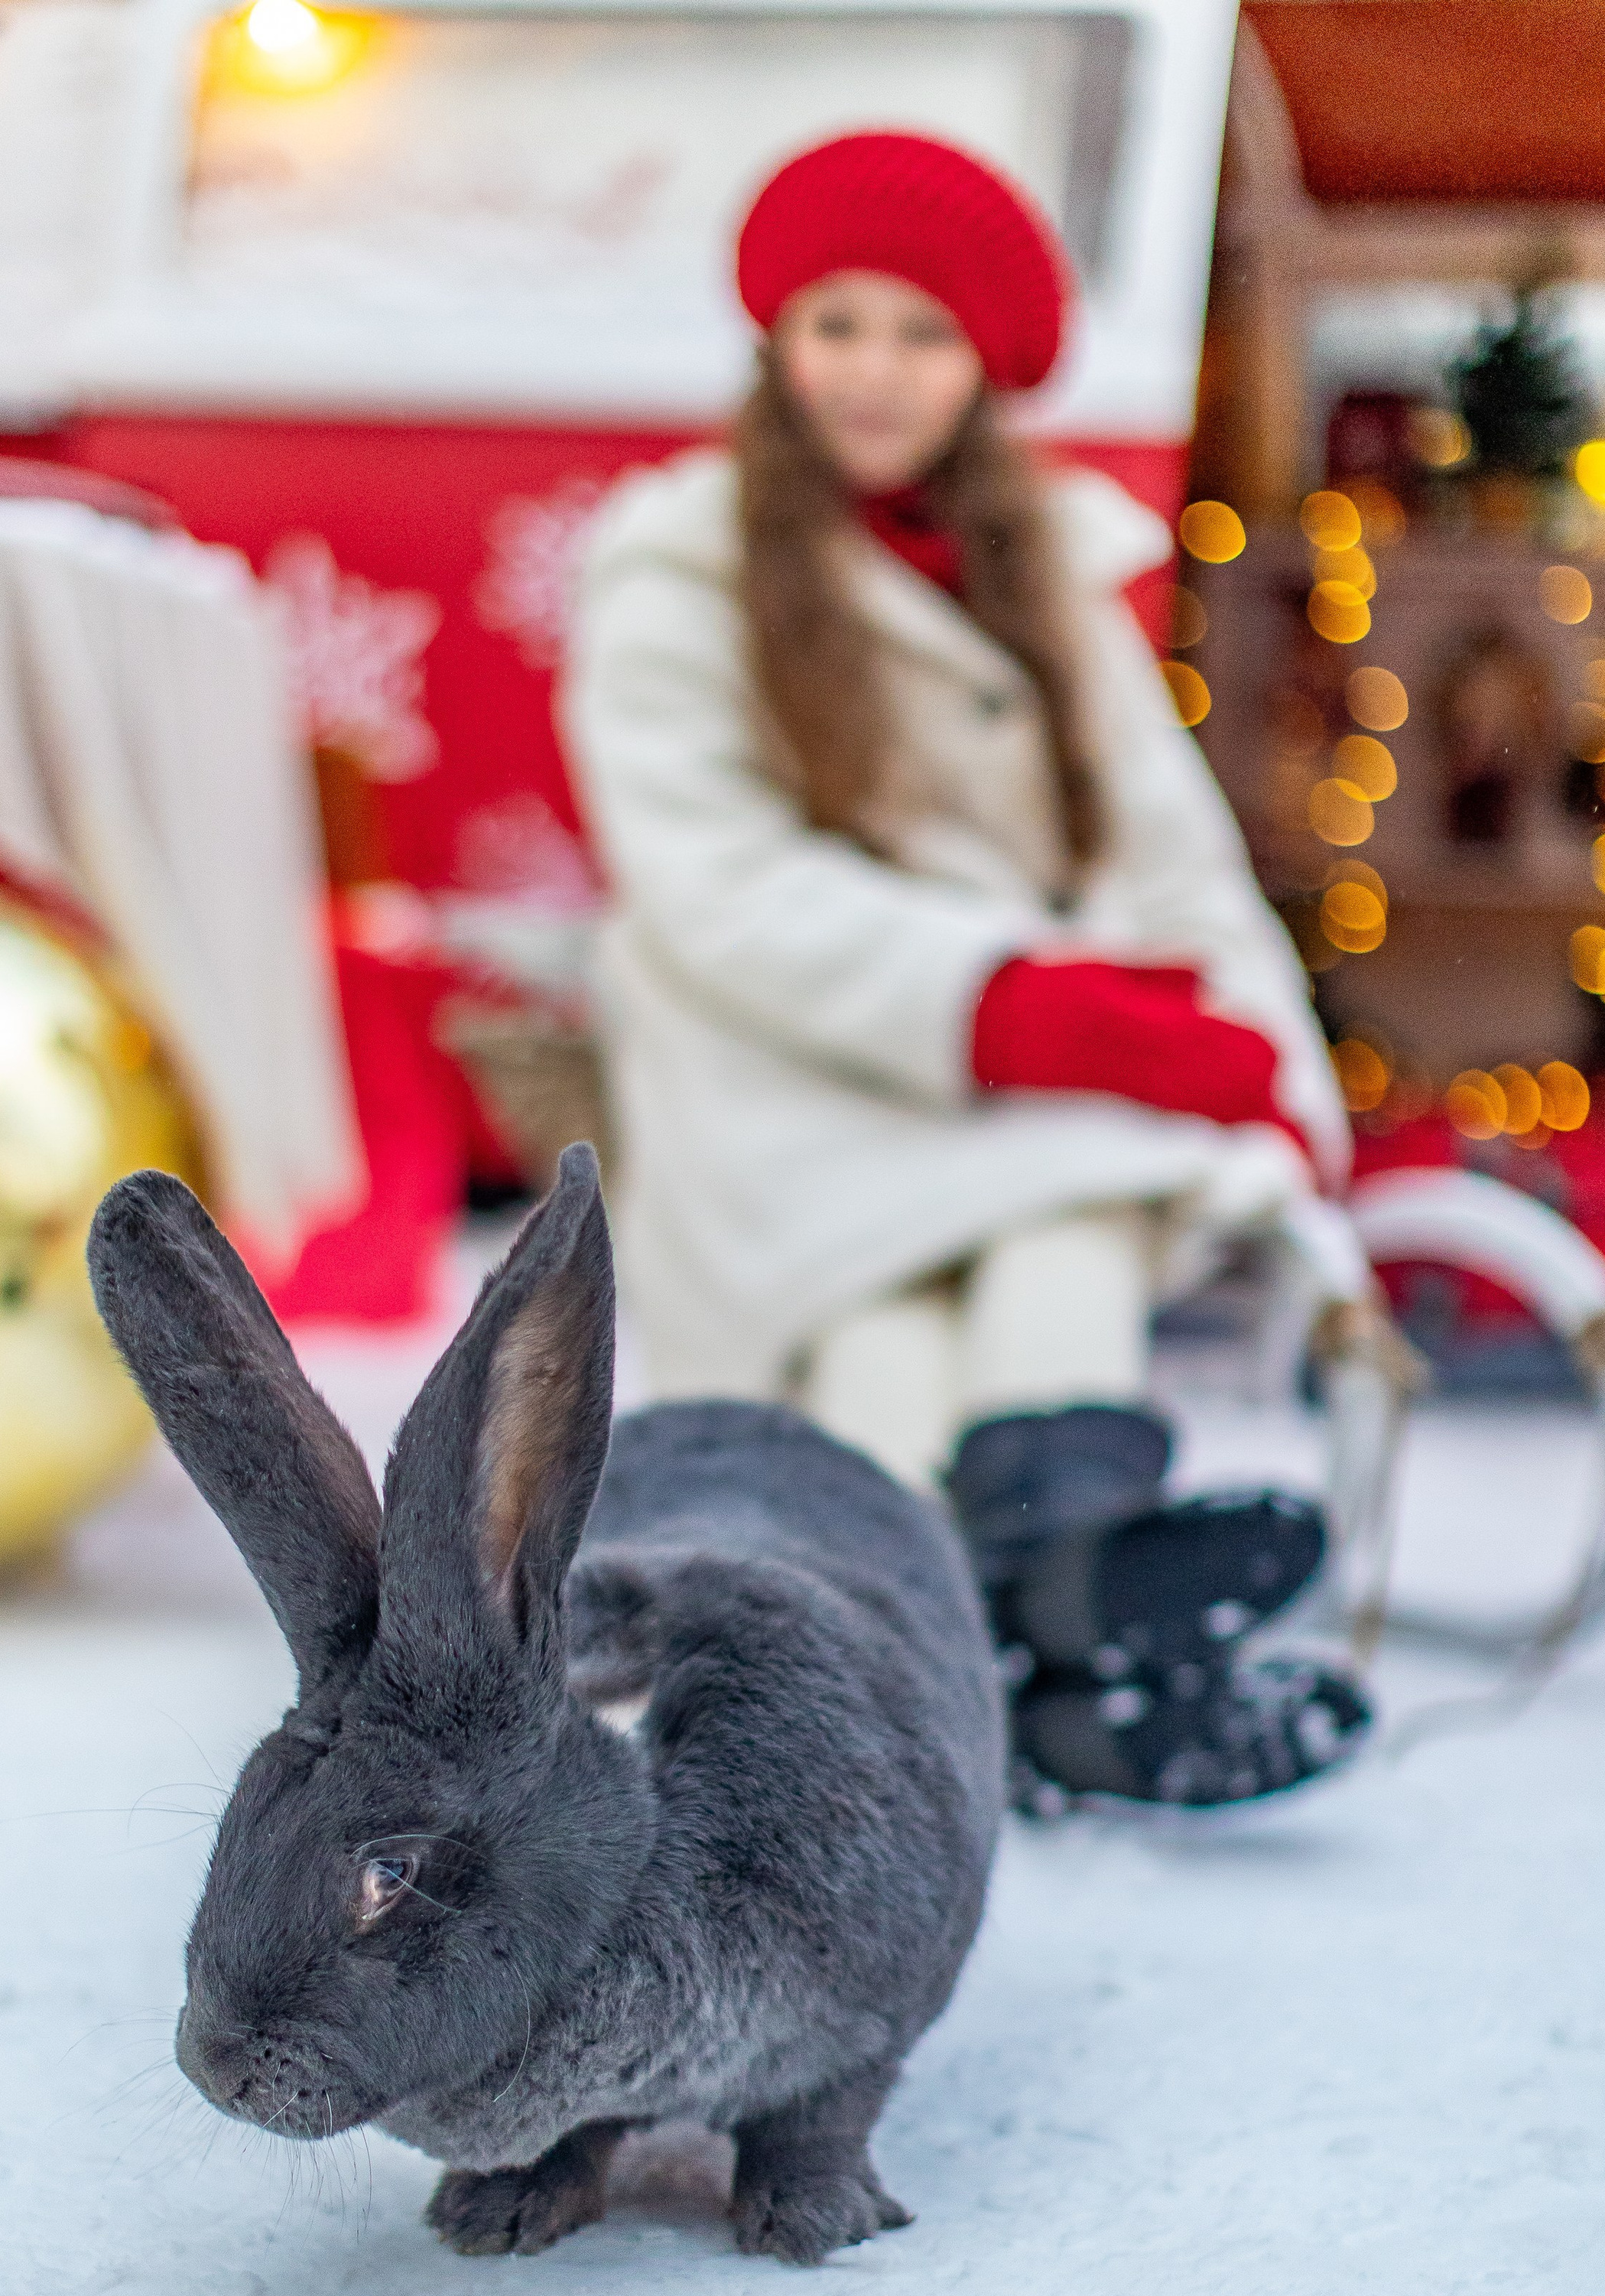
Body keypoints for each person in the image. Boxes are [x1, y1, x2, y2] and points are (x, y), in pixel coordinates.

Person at [559, 130, 1378, 1810]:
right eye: (836, 322)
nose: (872, 370)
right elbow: (711, 885)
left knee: (1054, 1238)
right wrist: (1012, 1006)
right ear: (774, 338)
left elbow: (1166, 852)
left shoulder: (1051, 576)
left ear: (985, 368)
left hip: (996, 1088)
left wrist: (1264, 1070)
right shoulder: (674, 569)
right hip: (783, 1075)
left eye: (919, 333)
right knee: (882, 1322)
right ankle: (1065, 1658)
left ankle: (1009, 1666)